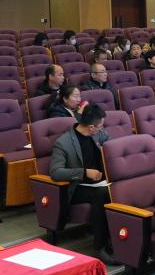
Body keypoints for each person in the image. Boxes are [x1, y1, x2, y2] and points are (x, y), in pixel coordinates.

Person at [49, 104, 116, 264]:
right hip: (78, 187)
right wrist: (84, 172)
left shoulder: (98, 135)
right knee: (103, 195)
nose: (102, 129)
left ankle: (117, 242)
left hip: (101, 182)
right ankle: (100, 247)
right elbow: (55, 172)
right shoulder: (63, 143)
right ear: (91, 127)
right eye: (100, 126)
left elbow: (113, 146)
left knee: (120, 189)